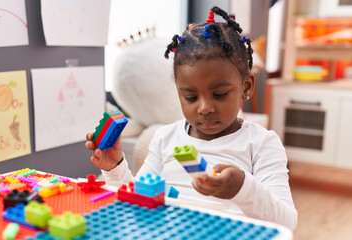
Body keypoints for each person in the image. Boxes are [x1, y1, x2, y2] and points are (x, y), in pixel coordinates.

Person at [86, 6, 297, 231]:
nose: (204, 108)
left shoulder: (262, 144)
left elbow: (286, 222)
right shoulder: (165, 138)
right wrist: (115, 168)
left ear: (246, 87)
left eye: (219, 94)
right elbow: (140, 199)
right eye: (190, 97)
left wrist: (242, 188)